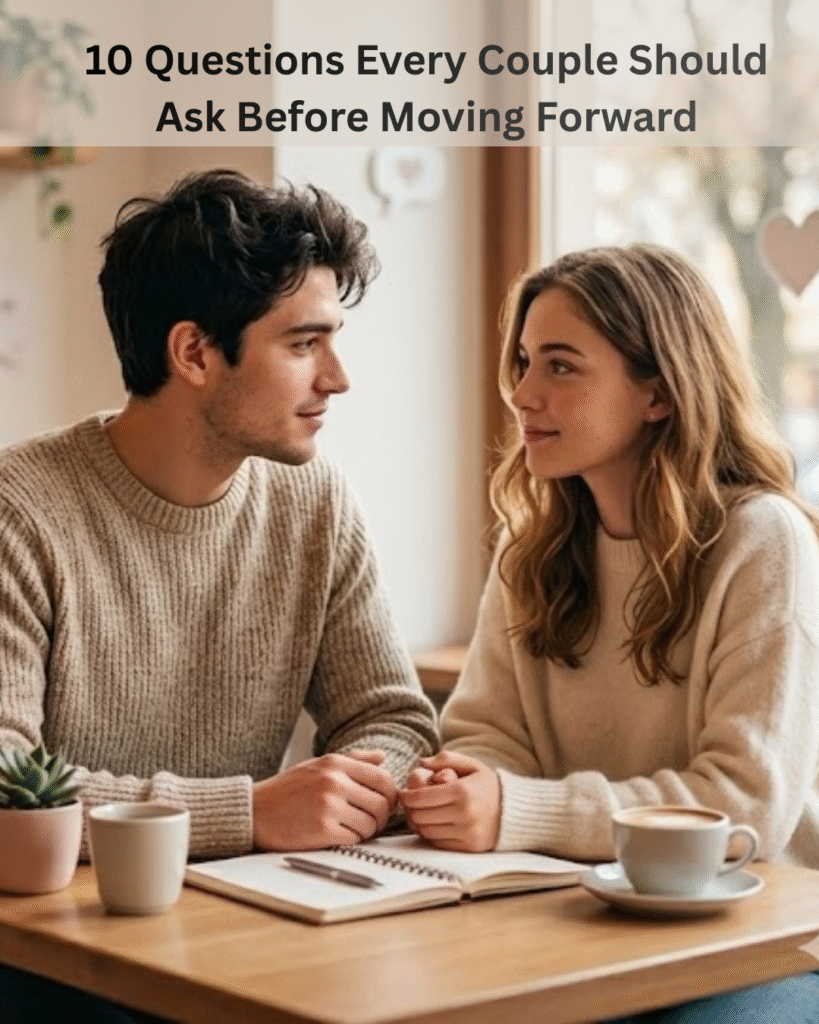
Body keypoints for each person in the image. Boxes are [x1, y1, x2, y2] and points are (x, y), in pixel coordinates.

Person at [0, 169, 437, 1021]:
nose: (338, 378)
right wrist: (249, 813)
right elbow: (6, 786)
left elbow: (395, 720)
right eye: (304, 344)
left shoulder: (317, 505)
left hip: (251, 930)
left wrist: (351, 791)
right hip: (54, 961)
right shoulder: (19, 511)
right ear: (194, 352)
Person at [399, 244, 819, 1022]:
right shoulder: (530, 546)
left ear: (657, 393)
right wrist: (463, 791)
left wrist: (517, 811)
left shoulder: (762, 541)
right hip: (576, 921)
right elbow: (488, 738)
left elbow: (742, 808)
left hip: (755, 939)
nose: (522, 393)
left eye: (560, 366)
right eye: (523, 361)